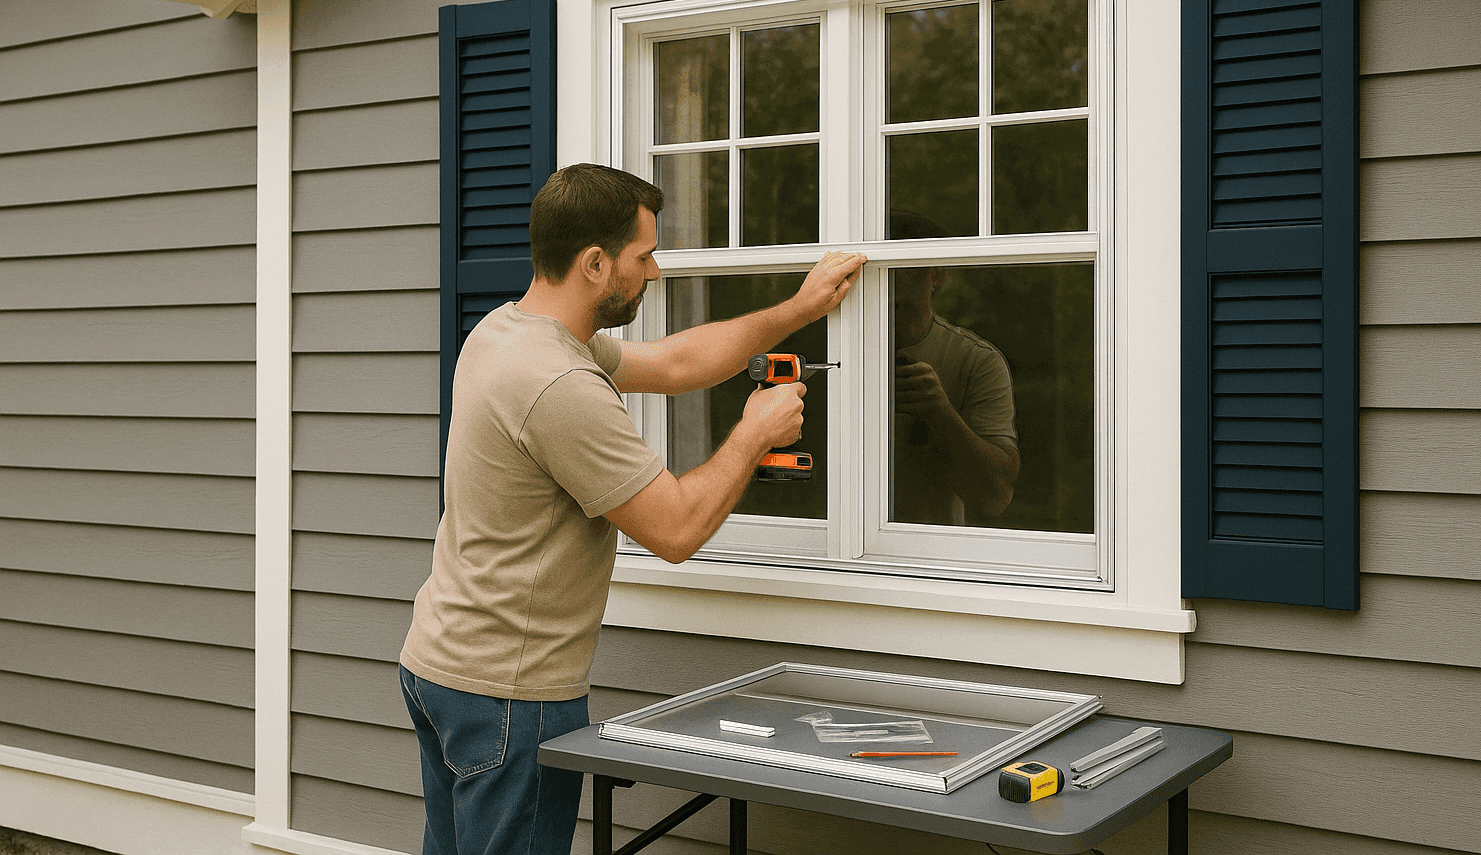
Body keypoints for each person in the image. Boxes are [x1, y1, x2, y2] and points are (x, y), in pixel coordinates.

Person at [398, 162, 865, 855]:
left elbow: (675, 364)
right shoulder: (558, 384)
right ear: (593, 263)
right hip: (509, 694)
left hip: (442, 666)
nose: (653, 273)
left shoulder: (511, 332)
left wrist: (799, 309)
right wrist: (753, 433)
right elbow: (674, 529)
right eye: (642, 257)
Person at [888, 210, 1020, 525]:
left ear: (936, 276)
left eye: (903, 262)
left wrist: (941, 413)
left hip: (934, 559)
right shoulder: (828, 353)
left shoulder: (977, 361)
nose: (890, 273)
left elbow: (995, 497)